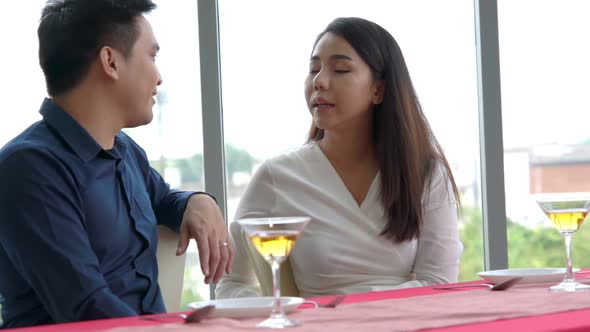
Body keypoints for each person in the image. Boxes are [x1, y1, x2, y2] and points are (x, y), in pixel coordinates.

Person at [0, 0, 233, 328]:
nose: (159, 76)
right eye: (152, 56)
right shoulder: (28, 168)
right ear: (110, 61)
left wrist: (198, 201)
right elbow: (86, 306)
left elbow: (163, 198)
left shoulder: (124, 151)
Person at [215, 17, 462, 299]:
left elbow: (439, 282)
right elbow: (231, 283)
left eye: (341, 69)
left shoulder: (426, 172)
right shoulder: (278, 176)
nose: (319, 81)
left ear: (378, 90)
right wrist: (281, 314)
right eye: (313, 69)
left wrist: (357, 311)